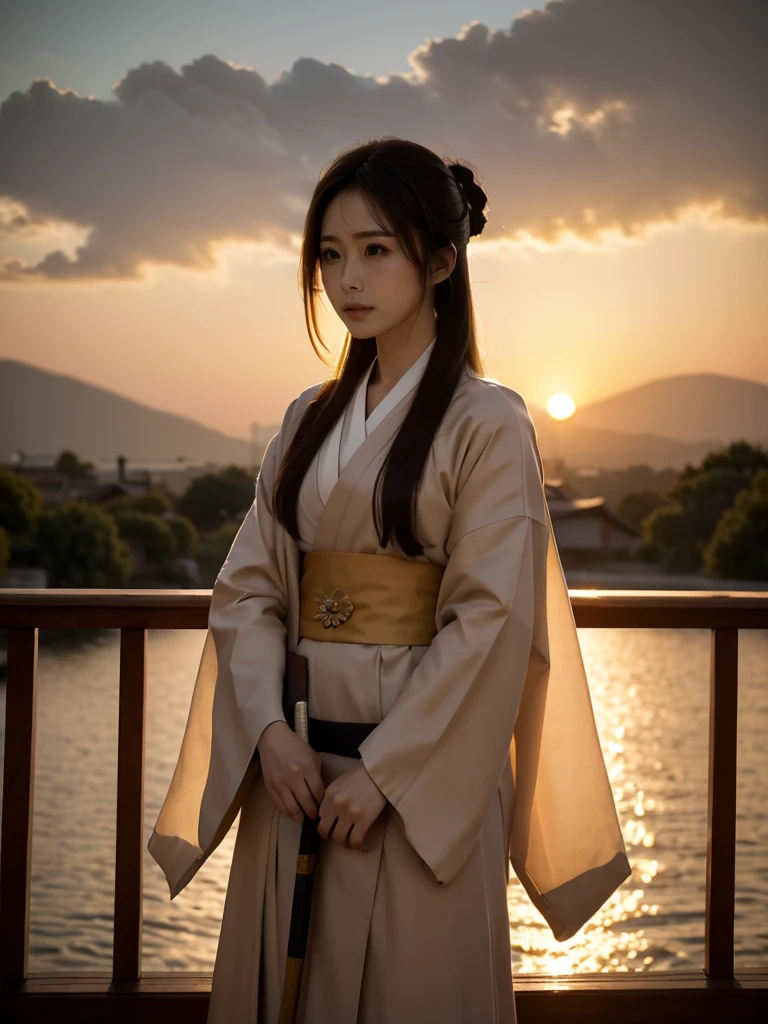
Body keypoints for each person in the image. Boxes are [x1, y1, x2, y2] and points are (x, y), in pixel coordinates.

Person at [148, 136, 632, 1024]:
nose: (347, 281)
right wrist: (266, 735)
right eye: (330, 256)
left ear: (441, 260)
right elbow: (249, 591)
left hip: (414, 791)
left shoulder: (490, 422)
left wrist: (385, 774)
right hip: (296, 770)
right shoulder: (305, 418)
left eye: (376, 250)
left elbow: (489, 621)